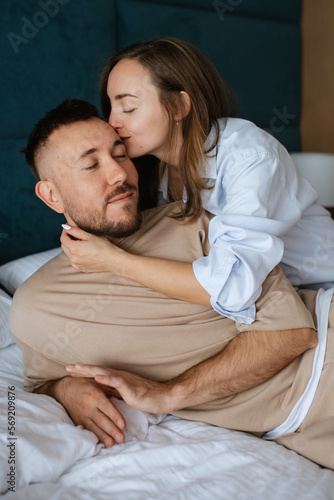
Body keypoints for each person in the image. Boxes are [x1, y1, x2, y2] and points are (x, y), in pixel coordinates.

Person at [9, 99, 334, 470]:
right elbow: (41, 379)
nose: (119, 174)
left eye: (120, 154)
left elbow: (293, 333)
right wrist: (64, 389)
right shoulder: (35, 307)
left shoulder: (191, 220)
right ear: (51, 195)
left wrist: (170, 394)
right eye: (91, 164)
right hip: (293, 429)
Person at [59, 37, 334, 325]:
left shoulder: (250, 156)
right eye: (110, 109)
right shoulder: (147, 169)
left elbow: (232, 286)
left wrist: (113, 261)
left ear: (178, 106)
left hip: (319, 292)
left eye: (127, 108)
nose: (112, 122)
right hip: (255, 301)